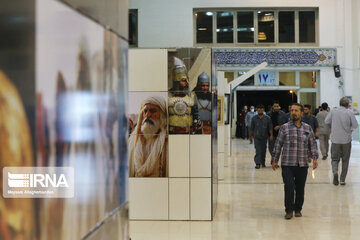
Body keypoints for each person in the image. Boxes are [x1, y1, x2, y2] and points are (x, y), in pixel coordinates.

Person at [272, 103, 319, 220]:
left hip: (302, 164)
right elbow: (278, 144)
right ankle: (289, 210)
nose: (293, 112)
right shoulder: (284, 127)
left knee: (300, 188)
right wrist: (275, 159)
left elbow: (312, 144)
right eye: (292, 110)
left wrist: (315, 158)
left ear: (301, 113)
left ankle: (298, 209)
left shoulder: (308, 128)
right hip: (287, 163)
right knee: (289, 187)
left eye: (296, 110)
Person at [128, 96, 168, 177]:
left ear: (162, 115)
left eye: (153, 111)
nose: (147, 115)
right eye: (145, 111)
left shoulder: (167, 142)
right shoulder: (133, 139)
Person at [325, 97, 358, 186]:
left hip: (335, 139)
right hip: (346, 140)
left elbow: (326, 121)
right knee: (345, 160)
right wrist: (350, 130)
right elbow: (355, 125)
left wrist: (333, 127)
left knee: (335, 159)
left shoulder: (333, 111)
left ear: (340, 103)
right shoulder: (349, 113)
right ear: (348, 105)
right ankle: (342, 179)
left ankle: (335, 172)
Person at [168, 57, 201, 134]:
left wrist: (196, 123)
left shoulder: (192, 96)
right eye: (183, 80)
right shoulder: (168, 96)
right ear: (176, 81)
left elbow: (196, 114)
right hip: (172, 133)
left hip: (188, 132)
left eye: (187, 80)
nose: (186, 83)